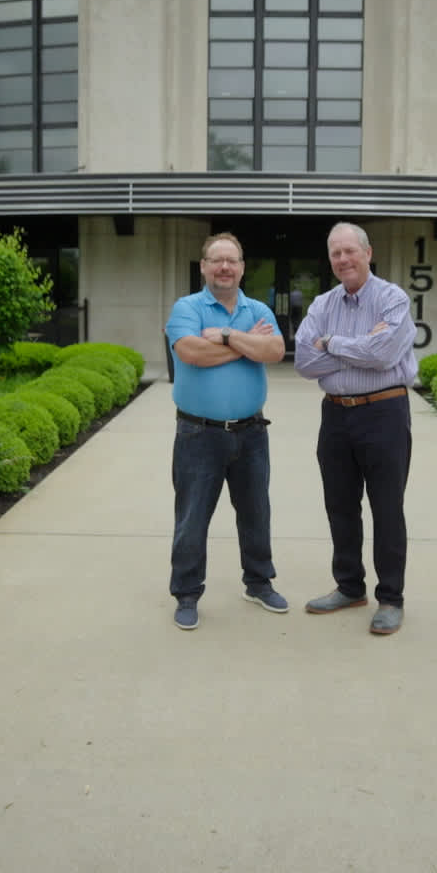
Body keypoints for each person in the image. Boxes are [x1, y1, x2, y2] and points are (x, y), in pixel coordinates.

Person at [293, 222, 418, 635]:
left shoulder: (392, 298)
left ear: (368, 252)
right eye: (335, 254)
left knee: (386, 508)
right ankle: (349, 587)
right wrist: (358, 346)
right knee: (340, 505)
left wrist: (330, 343)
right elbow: (303, 362)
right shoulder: (323, 303)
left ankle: (390, 599)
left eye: (350, 251)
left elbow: (383, 355)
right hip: (336, 416)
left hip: (384, 413)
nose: (343, 259)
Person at [163, 232, 288, 631]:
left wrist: (230, 336)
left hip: (252, 434)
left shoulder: (257, 309)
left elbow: (276, 352)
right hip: (198, 435)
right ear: (203, 266)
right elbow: (191, 353)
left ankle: (258, 582)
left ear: (242, 267)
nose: (224, 267)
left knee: (256, 512)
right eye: (216, 260)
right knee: (192, 517)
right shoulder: (187, 307)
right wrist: (248, 345)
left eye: (231, 260)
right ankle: (186, 592)